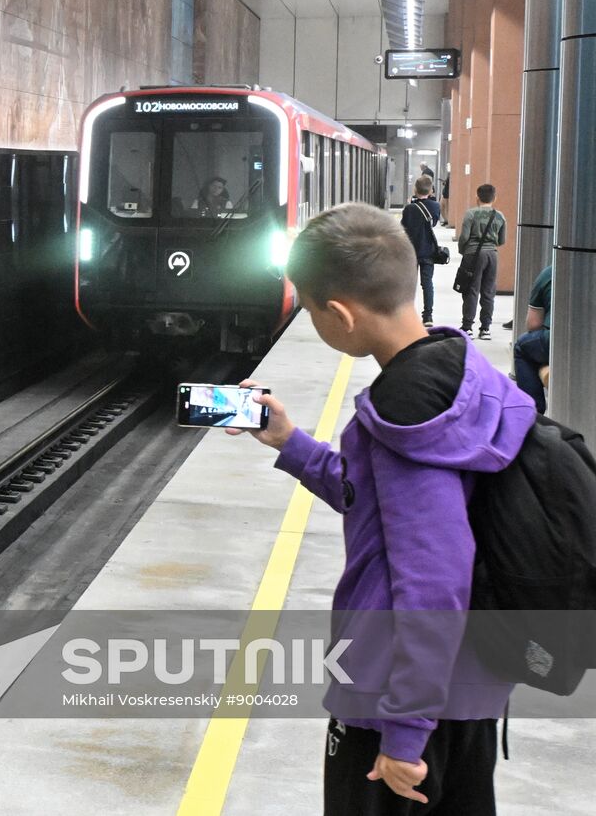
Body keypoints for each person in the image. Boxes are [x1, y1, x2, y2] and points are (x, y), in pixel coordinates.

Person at [230, 203, 534, 816]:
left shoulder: (401, 413)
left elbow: (432, 582)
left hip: (397, 701)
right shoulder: (459, 370)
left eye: (312, 309)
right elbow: (385, 498)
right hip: (467, 683)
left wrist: (404, 734)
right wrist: (293, 444)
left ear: (339, 315)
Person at [457, 184, 506, 339]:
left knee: (472, 289)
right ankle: (485, 328)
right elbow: (501, 240)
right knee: (488, 291)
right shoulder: (500, 216)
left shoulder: (471, 214)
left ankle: (467, 327)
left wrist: (463, 251)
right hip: (492, 255)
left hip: (473, 254)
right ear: (494, 198)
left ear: (477, 197)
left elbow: (464, 237)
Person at [399, 175, 441, 326]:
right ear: (431, 190)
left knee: (409, 283)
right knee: (427, 283)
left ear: (415, 189)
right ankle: (428, 316)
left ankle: (406, 314)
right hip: (428, 250)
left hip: (411, 250)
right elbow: (434, 223)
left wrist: (411, 204)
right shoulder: (435, 206)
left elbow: (403, 227)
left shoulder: (410, 208)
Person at [514, 263, 552, 413]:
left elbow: (533, 324)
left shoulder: (550, 274)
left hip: (558, 341)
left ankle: (533, 413)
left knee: (522, 347)